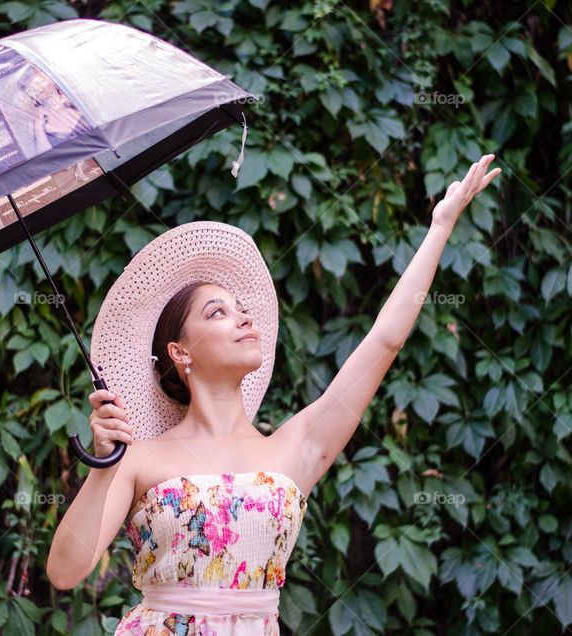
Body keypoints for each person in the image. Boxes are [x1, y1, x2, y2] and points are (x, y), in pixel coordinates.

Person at [46, 155, 501, 634]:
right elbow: (65, 571)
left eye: (243, 309)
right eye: (217, 312)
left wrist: (439, 228)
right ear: (180, 352)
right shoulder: (137, 458)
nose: (244, 318)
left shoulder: (295, 447)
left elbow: (385, 340)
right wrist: (105, 465)